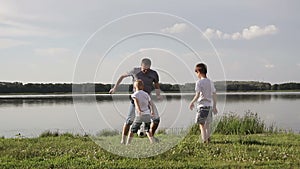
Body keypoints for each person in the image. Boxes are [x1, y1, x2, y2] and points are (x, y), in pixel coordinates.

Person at [109, 58, 161, 144]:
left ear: (150, 67)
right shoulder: (134, 70)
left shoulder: (154, 74)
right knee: (129, 121)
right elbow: (122, 76)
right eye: (144, 69)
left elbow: (156, 85)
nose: (145, 71)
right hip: (135, 100)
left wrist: (158, 94)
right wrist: (115, 88)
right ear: (141, 65)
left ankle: (152, 136)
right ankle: (123, 140)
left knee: (156, 120)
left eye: (147, 69)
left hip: (147, 99)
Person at [189, 63, 218, 143]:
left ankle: (204, 141)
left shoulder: (199, 82)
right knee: (207, 125)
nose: (196, 75)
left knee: (201, 125)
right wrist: (214, 106)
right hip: (209, 106)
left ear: (199, 72)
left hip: (202, 107)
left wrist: (192, 102)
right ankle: (208, 139)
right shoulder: (210, 82)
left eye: (196, 73)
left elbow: (197, 95)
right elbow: (214, 94)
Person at [126, 80, 155, 145]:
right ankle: (152, 142)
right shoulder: (146, 94)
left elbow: (136, 103)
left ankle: (128, 143)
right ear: (142, 87)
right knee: (147, 130)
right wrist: (152, 111)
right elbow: (151, 103)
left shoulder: (134, 94)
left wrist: (139, 110)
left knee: (132, 130)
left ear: (134, 87)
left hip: (140, 115)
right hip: (147, 114)